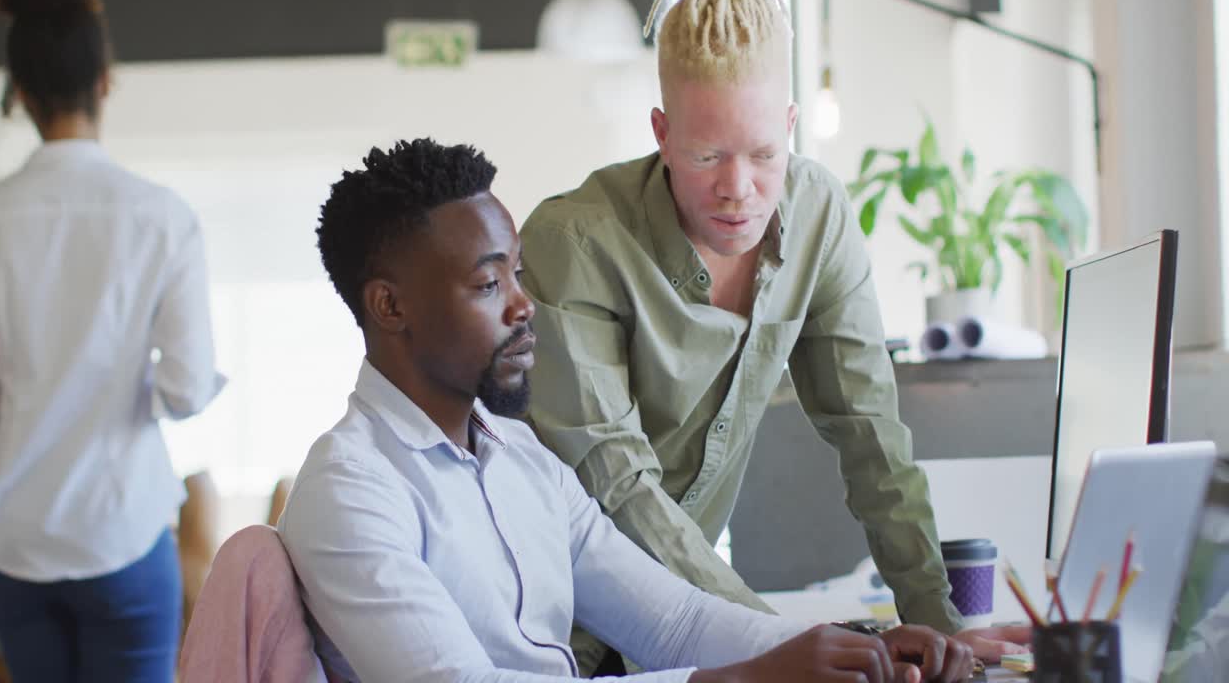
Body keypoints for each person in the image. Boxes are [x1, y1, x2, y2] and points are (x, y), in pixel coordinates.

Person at [276, 138, 978, 683]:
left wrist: (859, 648)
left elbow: (673, 621)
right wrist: (738, 679)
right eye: (489, 284)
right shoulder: (350, 490)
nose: (524, 306)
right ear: (389, 306)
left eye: (517, 273)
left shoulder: (525, 462)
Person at [518, 0, 1026, 672]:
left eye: (764, 155)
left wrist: (941, 630)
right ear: (662, 133)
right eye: (706, 156)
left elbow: (871, 436)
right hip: (549, 629)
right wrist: (780, 646)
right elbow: (618, 485)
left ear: (791, 125)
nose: (738, 189)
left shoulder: (819, 215)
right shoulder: (575, 243)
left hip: (694, 631)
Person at [0, 0, 224, 680]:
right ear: (105, 81)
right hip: (122, 531)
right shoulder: (162, 218)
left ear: (21, 93)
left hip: (13, 541)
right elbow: (188, 391)